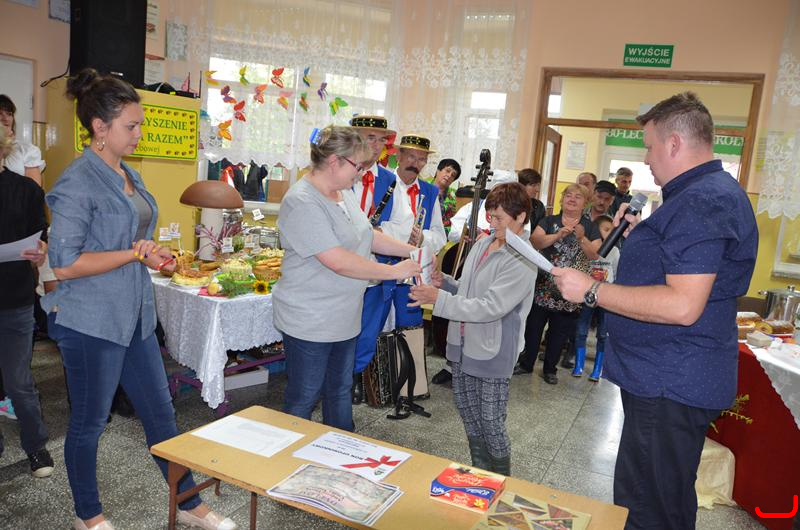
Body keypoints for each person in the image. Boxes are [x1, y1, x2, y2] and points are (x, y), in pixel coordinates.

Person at [553, 92, 758, 529]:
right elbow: (681, 271)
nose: (646, 159)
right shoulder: (703, 194)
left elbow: (683, 304)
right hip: (670, 376)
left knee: (648, 510)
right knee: (665, 501)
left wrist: (592, 291)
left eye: (649, 147)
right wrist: (639, 239)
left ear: (674, 143)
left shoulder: (702, 200)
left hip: (669, 380)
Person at [42, 69, 237, 530]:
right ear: (99, 127)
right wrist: (133, 253)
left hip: (134, 318)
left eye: (140, 125)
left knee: (160, 415)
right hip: (90, 322)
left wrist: (151, 255)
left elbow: (129, 241)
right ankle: (89, 516)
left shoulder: (126, 173)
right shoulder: (78, 182)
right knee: (90, 423)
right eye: (131, 126)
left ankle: (189, 504)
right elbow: (65, 264)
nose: (139, 134)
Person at [273, 125, 420, 430]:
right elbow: (337, 260)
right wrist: (394, 272)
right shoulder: (302, 201)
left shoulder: (344, 193)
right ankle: (289, 454)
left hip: (344, 315)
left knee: (339, 390)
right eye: (358, 165)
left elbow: (368, 235)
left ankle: (339, 448)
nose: (362, 172)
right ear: (334, 161)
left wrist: (412, 252)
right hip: (310, 319)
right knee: (305, 396)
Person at [409, 182, 536, 475]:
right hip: (463, 343)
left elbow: (491, 306)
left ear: (520, 217)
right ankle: (481, 475)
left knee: (491, 421)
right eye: (490, 216)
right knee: (468, 413)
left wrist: (438, 299)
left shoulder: (523, 258)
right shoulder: (483, 244)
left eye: (499, 218)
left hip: (494, 349)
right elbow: (469, 291)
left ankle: (501, 480)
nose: (492, 223)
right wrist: (446, 283)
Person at [351, 135, 445, 400]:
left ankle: (411, 384)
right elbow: (370, 226)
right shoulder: (382, 181)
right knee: (370, 323)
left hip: (413, 270)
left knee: (411, 324)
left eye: (422, 159)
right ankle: (356, 378)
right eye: (411, 156)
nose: (416, 163)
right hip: (380, 265)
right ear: (399, 156)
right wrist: (399, 237)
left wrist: (423, 238)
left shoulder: (430, 192)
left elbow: (439, 234)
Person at [0, 120, 53, 478]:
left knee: (18, 381)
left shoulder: (25, 189)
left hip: (15, 298)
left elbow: (40, 236)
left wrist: (40, 250)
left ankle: (36, 446)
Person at [513, 184, 601, 384]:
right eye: (568, 195)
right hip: (543, 286)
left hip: (570, 291)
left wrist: (581, 238)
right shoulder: (549, 221)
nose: (572, 199)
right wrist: (557, 235)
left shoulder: (590, 227)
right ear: (562, 199)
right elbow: (535, 242)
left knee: (559, 332)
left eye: (578, 196)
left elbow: (595, 255)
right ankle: (526, 363)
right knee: (533, 328)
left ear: (585, 203)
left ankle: (550, 369)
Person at [348, 115, 396, 404]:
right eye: (370, 138)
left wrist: (381, 231)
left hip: (376, 265)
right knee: (342, 324)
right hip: (343, 265)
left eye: (381, 140)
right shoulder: (340, 171)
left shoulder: (390, 180)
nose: (377, 145)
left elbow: (401, 223)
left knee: (368, 328)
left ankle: (355, 376)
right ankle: (337, 376)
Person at [571, 215, 619, 380]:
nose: (609, 233)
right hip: (588, 296)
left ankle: (598, 368)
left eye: (611, 230)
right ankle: (578, 365)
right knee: (581, 330)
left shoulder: (615, 251)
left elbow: (616, 273)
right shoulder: (589, 248)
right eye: (605, 229)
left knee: (603, 334)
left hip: (606, 298)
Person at [0, 94, 45, 186]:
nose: (6, 118)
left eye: (9, 114)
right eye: (0, 113)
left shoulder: (26, 150)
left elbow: (33, 190)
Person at [427, 158, 461, 235]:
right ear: (438, 170)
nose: (449, 175)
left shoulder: (454, 196)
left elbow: (452, 223)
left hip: (442, 237)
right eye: (447, 171)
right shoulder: (423, 187)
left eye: (453, 175)